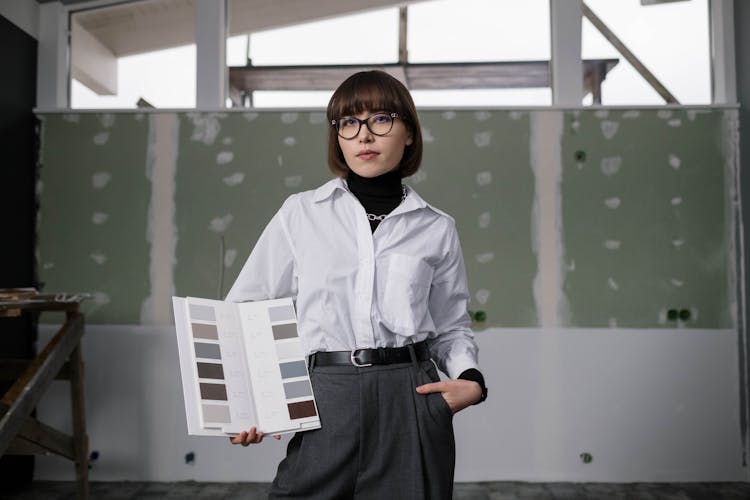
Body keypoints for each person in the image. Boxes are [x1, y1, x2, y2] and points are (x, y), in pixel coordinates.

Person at [227, 70, 487, 499]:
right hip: (324, 396)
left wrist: (472, 381)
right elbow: (248, 307)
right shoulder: (301, 214)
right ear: (338, 137)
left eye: (380, 119)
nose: (364, 135)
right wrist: (252, 401)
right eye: (349, 123)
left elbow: (451, 327)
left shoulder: (436, 228)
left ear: (408, 133)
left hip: (411, 397)